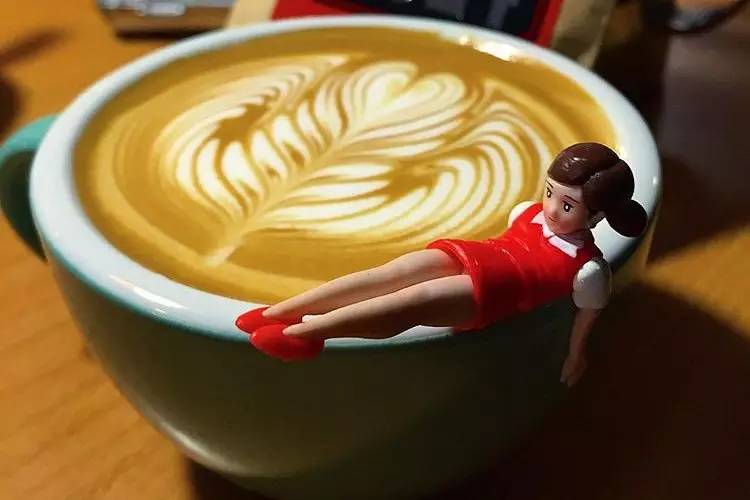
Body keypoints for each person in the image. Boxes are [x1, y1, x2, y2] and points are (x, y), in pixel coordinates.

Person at [236, 142, 647, 385]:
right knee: (391, 273)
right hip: (475, 254)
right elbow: (508, 240)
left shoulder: (588, 269)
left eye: (568, 205)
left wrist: (576, 356)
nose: (552, 208)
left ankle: (306, 334)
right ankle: (280, 312)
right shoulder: (527, 212)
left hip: (498, 290)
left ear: (597, 216)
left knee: (411, 302)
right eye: (550, 193)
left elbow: (587, 317)